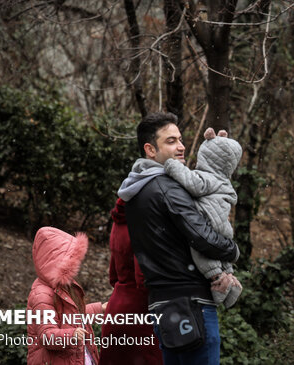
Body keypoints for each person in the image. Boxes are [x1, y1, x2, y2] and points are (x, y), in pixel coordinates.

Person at [117, 112, 239, 365]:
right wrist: (233, 250)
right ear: (150, 149)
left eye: (181, 139)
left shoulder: (135, 191)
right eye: (171, 141)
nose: (181, 147)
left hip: (161, 303)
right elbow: (202, 237)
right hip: (191, 302)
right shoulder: (167, 187)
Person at [163, 127, 243, 308]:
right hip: (222, 225)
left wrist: (172, 165)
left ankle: (218, 279)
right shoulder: (224, 180)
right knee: (223, 258)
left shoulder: (208, 178)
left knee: (200, 250)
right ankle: (229, 275)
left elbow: (194, 185)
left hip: (208, 221)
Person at [27, 226, 106, 365]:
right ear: (55, 262)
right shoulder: (42, 295)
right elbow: (47, 336)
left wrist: (99, 309)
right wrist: (72, 335)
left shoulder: (63, 287)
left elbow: (70, 316)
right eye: (71, 261)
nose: (75, 266)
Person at [99, 198, 163, 365]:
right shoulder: (143, 222)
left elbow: (113, 276)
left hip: (115, 311)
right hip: (139, 315)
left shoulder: (118, 222)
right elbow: (143, 279)